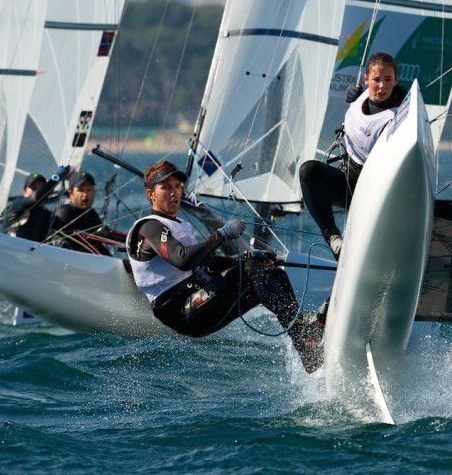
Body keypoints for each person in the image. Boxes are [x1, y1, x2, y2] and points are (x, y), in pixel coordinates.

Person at [126, 160, 327, 373]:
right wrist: (222, 234)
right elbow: (184, 259)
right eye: (165, 187)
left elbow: (205, 263)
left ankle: (307, 345)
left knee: (273, 275)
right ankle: (305, 336)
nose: (174, 192)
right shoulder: (149, 227)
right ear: (151, 195)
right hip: (180, 310)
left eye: (177, 186)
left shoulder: (179, 226)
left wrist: (250, 255)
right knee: (250, 269)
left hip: (198, 300)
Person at [299, 52, 408, 259]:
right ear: (366, 79)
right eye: (376, 80)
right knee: (309, 170)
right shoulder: (360, 97)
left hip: (377, 193)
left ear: (396, 81)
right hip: (349, 182)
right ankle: (333, 239)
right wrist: (354, 98)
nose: (382, 86)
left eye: (388, 80)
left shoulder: (400, 116)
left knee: (365, 247)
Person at [49, 171, 126, 255]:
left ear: (94, 192)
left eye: (89, 190)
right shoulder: (63, 213)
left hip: (91, 261)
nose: (85, 194)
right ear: (71, 193)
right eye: (80, 190)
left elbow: (103, 237)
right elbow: (61, 244)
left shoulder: (91, 214)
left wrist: (133, 240)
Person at [2, 165, 71, 242]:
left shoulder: (47, 215)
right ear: (24, 192)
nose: (37, 191)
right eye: (33, 188)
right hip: (11, 249)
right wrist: (57, 177)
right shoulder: (17, 204)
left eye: (41, 188)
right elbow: (36, 198)